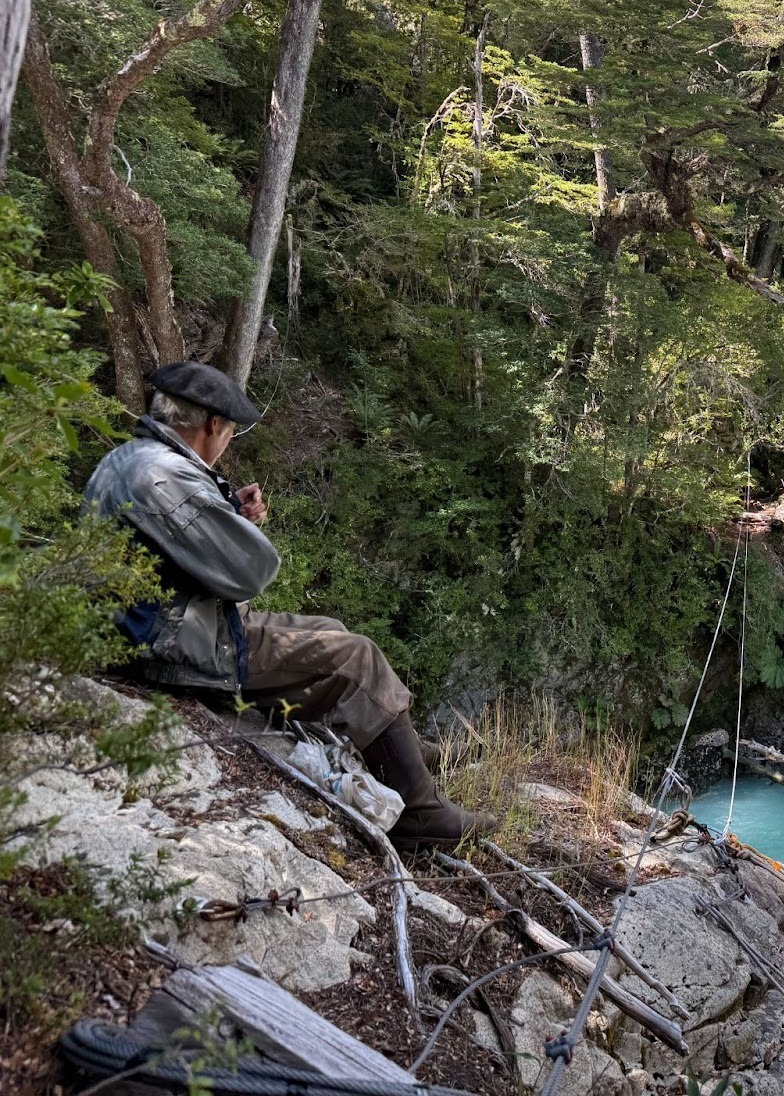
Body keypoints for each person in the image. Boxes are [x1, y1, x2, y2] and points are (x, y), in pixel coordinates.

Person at [84, 361, 496, 850]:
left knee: (328, 627)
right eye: (231, 430)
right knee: (355, 656)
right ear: (213, 423)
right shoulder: (164, 478)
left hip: (160, 623)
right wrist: (241, 526)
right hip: (176, 645)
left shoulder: (132, 459)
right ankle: (420, 819)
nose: (228, 440)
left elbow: (173, 541)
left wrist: (228, 509)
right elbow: (251, 572)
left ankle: (405, 749)